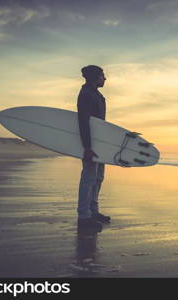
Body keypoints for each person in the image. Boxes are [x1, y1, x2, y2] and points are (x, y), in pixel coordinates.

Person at [77, 65, 110, 231]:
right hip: (91, 145)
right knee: (88, 179)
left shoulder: (96, 94)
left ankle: (93, 212)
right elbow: (84, 122)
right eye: (102, 76)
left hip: (100, 145)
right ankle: (83, 217)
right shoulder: (86, 95)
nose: (105, 79)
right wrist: (87, 147)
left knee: (97, 178)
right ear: (94, 77)